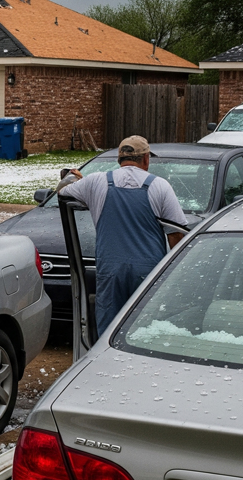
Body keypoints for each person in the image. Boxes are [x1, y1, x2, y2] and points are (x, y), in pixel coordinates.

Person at [58, 135, 187, 337]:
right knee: (144, 331)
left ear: (119, 159)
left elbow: (63, 192)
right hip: (148, 273)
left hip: (111, 271)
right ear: (146, 159)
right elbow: (177, 235)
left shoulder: (95, 182)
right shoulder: (159, 186)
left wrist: (77, 180)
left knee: (109, 332)